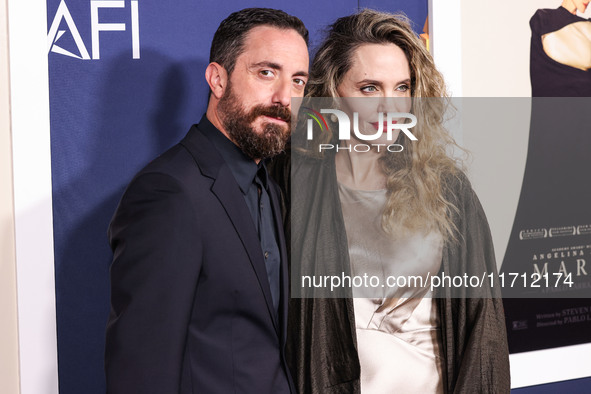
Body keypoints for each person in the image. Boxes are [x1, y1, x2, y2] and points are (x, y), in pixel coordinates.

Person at [270, 10, 510, 393]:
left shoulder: (447, 188)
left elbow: (484, 331)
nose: (391, 107)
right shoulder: (291, 182)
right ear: (333, 91)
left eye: (402, 87)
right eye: (369, 88)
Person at [105, 8, 309, 393]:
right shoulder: (168, 192)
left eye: (298, 80)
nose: (285, 97)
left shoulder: (271, 188)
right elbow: (141, 372)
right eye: (267, 72)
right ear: (218, 79)